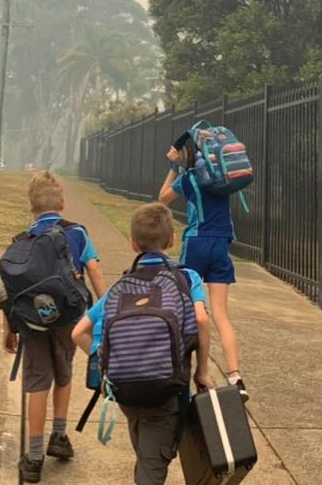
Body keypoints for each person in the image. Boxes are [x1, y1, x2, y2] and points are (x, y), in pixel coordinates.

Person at [72, 202, 213, 485]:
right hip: (166, 391)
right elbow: (201, 321)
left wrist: (107, 362)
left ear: (133, 244)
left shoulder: (122, 285)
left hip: (126, 391)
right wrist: (202, 372)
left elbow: (78, 332)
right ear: (172, 240)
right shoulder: (187, 277)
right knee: (151, 469)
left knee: (146, 454)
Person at [2, 171, 107, 483]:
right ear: (62, 204)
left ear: (31, 207)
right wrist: (108, 310)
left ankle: (33, 458)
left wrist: (8, 326)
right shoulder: (77, 234)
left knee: (37, 383)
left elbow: (8, 287)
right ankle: (59, 437)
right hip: (69, 319)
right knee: (64, 374)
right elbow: (95, 271)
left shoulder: (22, 241)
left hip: (32, 322)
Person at [158, 141, 248, 400]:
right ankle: (235, 376)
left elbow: (163, 198)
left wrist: (174, 168)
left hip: (196, 243)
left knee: (191, 311)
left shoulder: (188, 179)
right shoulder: (221, 177)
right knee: (221, 315)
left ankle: (195, 371)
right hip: (221, 244)